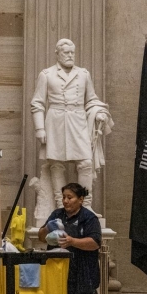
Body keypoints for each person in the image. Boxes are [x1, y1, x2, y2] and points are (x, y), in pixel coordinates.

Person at [30, 38, 113, 214]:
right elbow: (37, 103)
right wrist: (40, 128)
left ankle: (85, 205)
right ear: (57, 54)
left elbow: (91, 99)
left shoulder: (83, 74)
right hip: (56, 123)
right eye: (66, 52)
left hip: (78, 122)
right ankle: (61, 206)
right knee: (56, 164)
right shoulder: (47, 75)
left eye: (72, 52)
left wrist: (98, 112)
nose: (70, 55)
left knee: (86, 163)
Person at [37, 182, 101, 294]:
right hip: (58, 274)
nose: (65, 201)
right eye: (64, 197)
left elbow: (94, 242)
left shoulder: (89, 218)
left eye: (70, 197)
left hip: (82, 274)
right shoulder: (57, 214)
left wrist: (73, 241)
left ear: (80, 199)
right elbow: (41, 237)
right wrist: (47, 229)